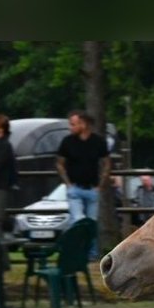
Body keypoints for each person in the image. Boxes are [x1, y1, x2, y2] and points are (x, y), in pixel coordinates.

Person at [55, 110, 109, 257]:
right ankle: (76, 251)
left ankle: (91, 253)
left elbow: (106, 163)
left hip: (92, 188)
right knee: (77, 220)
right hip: (75, 188)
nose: (70, 127)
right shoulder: (67, 142)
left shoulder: (98, 142)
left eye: (73, 124)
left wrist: (100, 185)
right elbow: (60, 163)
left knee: (91, 222)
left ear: (83, 124)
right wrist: (68, 183)